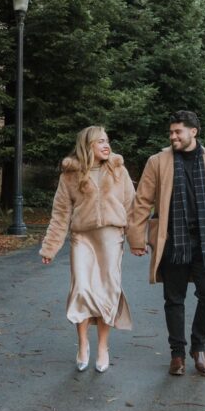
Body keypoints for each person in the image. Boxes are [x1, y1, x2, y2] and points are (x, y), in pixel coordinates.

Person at [128, 110, 205, 377]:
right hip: (173, 241)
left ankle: (199, 347)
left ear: (193, 132)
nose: (173, 136)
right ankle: (177, 353)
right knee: (174, 298)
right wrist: (136, 238)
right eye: (171, 132)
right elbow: (142, 202)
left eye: (178, 132)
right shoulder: (158, 162)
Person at [40, 126, 135, 373]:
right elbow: (60, 215)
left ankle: (103, 346)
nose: (106, 145)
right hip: (82, 238)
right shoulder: (69, 175)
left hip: (112, 238)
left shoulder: (118, 170)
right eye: (100, 141)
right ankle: (83, 344)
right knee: (81, 289)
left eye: (108, 141)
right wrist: (50, 247)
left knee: (107, 291)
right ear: (87, 145)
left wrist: (136, 241)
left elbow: (132, 207)